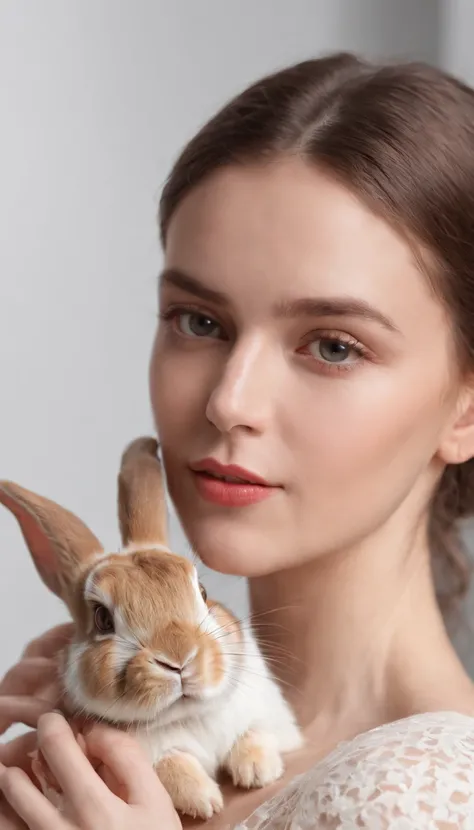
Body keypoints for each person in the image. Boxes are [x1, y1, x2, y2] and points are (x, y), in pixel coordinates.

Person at [2, 50, 474, 828]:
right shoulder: (99, 732)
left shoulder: (426, 796)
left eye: (333, 345)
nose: (229, 401)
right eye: (200, 322)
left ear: (464, 408)